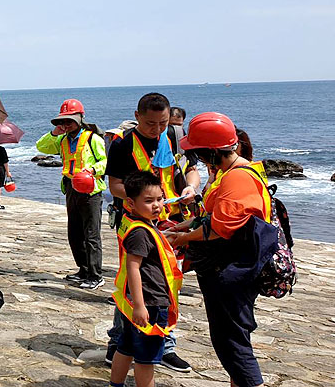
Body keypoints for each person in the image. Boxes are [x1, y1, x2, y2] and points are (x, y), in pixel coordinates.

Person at [167, 112, 271, 387]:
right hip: (233, 267)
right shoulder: (239, 171)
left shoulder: (236, 179)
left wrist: (182, 239)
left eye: (200, 154)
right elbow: (212, 215)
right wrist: (183, 226)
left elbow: (220, 228)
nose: (199, 160)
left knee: (231, 342)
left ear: (212, 152)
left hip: (229, 270)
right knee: (235, 336)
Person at [104, 93, 198, 371]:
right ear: (137, 116)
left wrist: (189, 188)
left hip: (171, 221)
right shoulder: (123, 145)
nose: (156, 129)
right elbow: (115, 187)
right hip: (137, 223)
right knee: (133, 284)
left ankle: (163, 343)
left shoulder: (174, 137)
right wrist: (144, 200)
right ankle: (119, 341)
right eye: (150, 124)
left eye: (162, 123)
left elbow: (190, 170)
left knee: (168, 281)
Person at [110, 172, 184, 387]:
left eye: (160, 199)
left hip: (134, 300)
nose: (157, 206)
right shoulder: (141, 232)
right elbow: (134, 267)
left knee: (126, 347)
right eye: (149, 201)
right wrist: (141, 306)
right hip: (149, 302)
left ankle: (115, 384)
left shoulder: (136, 222)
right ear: (131, 203)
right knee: (146, 359)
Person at [36, 98, 108, 289]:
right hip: (70, 187)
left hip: (90, 190)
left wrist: (92, 170)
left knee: (91, 234)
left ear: (80, 118)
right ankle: (83, 269)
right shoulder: (62, 140)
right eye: (63, 121)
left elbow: (104, 162)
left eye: (70, 121)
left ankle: (95, 275)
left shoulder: (93, 139)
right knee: (74, 233)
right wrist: (55, 132)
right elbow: (41, 146)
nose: (66, 125)